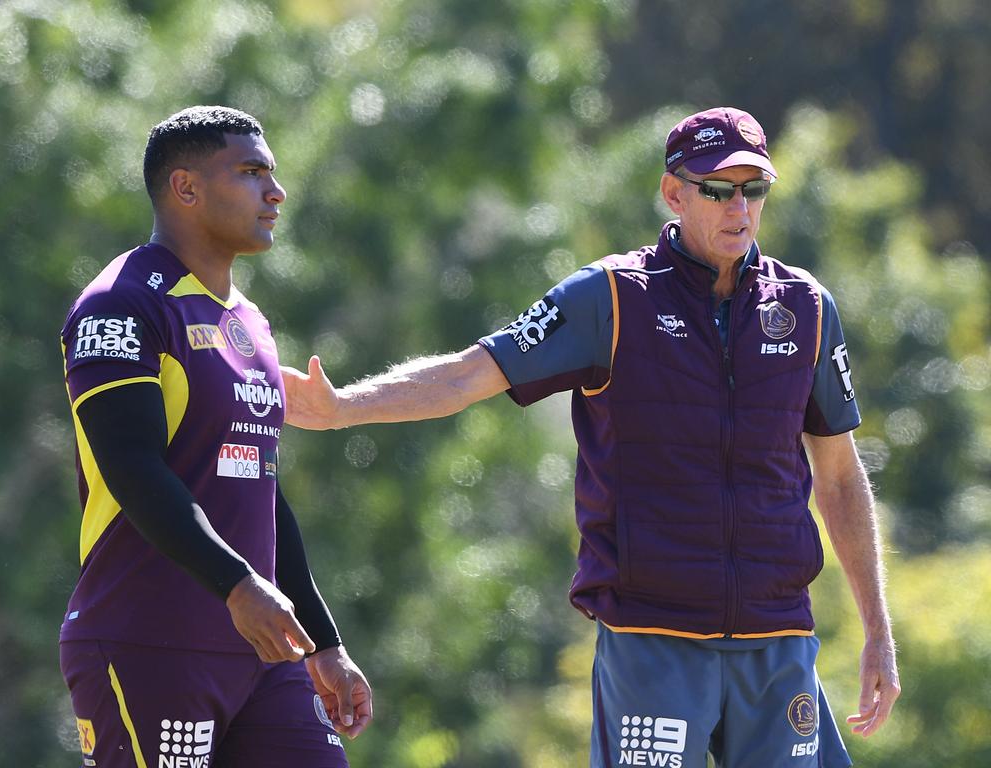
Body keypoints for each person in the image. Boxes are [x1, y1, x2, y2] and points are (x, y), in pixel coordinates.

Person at [282, 107, 900, 767]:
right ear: (674, 193)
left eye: (753, 190)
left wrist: (878, 632)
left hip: (777, 639)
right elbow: (469, 375)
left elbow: (838, 476)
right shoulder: (609, 298)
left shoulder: (805, 307)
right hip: (651, 641)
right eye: (718, 190)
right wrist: (343, 407)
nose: (739, 208)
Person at [59, 106, 371, 768]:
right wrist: (234, 582)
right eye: (252, 172)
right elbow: (132, 467)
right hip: (148, 641)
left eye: (273, 174)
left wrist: (324, 642)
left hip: (261, 652)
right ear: (186, 188)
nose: (275, 192)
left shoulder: (248, 320)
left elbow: (260, 490)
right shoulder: (120, 304)